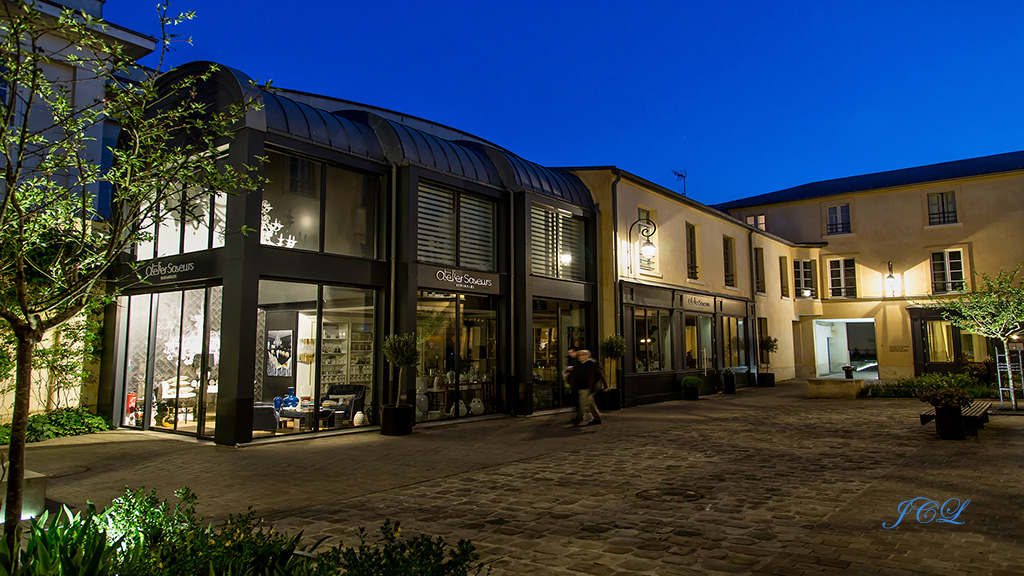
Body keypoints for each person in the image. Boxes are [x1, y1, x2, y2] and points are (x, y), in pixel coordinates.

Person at [571, 349, 604, 426]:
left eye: (582, 355)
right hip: (582, 386)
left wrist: (601, 385)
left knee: (582, 403)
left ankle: (578, 418)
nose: (580, 357)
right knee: (590, 403)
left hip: (587, 387)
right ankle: (597, 417)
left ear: (587, 356)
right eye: (579, 355)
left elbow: (599, 375)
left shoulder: (591, 364)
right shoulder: (579, 364)